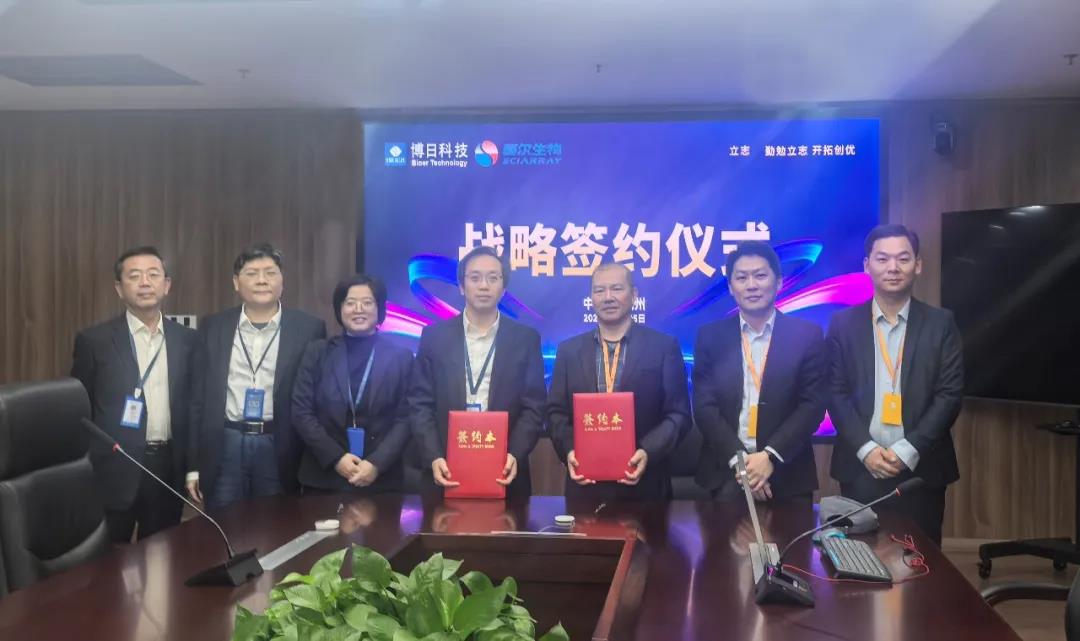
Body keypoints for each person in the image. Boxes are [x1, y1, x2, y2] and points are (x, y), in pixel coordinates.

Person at [827, 224, 964, 544]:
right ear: (867, 265)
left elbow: (950, 395)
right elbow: (834, 392)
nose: (893, 267)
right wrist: (867, 449)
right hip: (861, 467)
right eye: (882, 258)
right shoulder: (843, 324)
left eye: (903, 259)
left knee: (922, 561)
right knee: (860, 558)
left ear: (918, 265)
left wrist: (907, 450)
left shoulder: (941, 324)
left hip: (921, 470)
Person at [186, 243, 326, 509]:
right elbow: (197, 400)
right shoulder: (213, 326)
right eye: (252, 273)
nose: (262, 280)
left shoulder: (309, 328)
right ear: (236, 283)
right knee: (223, 523)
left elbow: (315, 400)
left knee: (275, 523)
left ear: (282, 281)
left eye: (270, 273)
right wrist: (193, 465)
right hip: (225, 441)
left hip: (280, 444)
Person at [71, 246, 197, 542]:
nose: (145, 283)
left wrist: (193, 466)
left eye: (153, 275)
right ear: (119, 288)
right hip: (113, 467)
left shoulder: (188, 340)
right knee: (108, 558)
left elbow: (195, 406)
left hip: (167, 467)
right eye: (134, 276)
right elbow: (80, 409)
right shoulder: (95, 341)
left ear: (166, 285)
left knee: (162, 554)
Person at [693, 241, 827, 502]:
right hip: (726, 473)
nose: (751, 285)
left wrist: (770, 456)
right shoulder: (710, 337)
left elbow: (813, 405)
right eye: (742, 278)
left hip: (788, 472)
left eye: (760, 275)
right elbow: (704, 407)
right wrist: (741, 463)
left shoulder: (807, 335)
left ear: (779, 282)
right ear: (731, 287)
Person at [408, 246, 545, 497]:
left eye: (493, 278)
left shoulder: (526, 339)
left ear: (503, 288)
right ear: (461, 286)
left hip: (506, 471)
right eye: (475, 278)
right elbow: (420, 403)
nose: (484, 285)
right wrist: (434, 456)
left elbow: (534, 407)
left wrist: (514, 454)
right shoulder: (434, 337)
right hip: (444, 469)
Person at [547, 262, 690, 500]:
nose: (608, 297)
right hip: (584, 485)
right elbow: (555, 412)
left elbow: (679, 414)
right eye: (599, 290)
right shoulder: (568, 351)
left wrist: (647, 451)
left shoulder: (664, 347)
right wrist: (569, 450)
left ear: (634, 295)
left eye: (616, 288)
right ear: (591, 297)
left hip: (646, 486)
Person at [291, 274, 413, 493]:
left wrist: (377, 463)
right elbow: (302, 412)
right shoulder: (317, 352)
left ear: (379, 308)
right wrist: (336, 458)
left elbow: (406, 418)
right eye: (350, 303)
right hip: (324, 477)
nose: (359, 309)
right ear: (339, 308)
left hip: (381, 478)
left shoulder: (401, 357)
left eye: (367, 302)